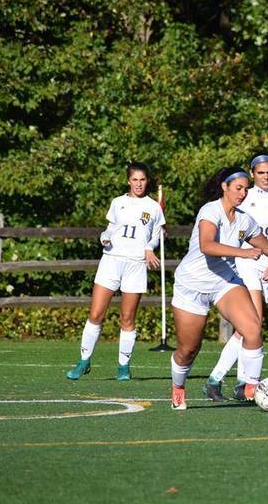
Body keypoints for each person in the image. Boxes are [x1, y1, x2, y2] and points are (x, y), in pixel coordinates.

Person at [169, 165, 268, 410]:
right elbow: (207, 245)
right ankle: (178, 387)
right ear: (224, 187)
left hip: (224, 282)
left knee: (252, 328)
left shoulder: (244, 220)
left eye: (245, 189)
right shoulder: (210, 211)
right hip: (192, 284)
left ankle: (251, 386)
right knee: (188, 350)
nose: (243, 193)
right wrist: (242, 252)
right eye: (238, 188)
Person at [205, 153, 268, 400]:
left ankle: (220, 381)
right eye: (260, 173)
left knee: (247, 328)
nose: (265, 177)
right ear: (253, 173)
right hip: (246, 263)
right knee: (253, 322)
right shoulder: (244, 196)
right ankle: (243, 385)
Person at [66, 162, 165, 381]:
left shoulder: (153, 206)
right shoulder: (117, 202)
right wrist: (104, 236)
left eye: (142, 179)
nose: (138, 184)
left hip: (136, 264)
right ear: (128, 181)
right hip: (111, 261)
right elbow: (110, 229)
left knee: (127, 317)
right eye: (135, 179)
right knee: (96, 314)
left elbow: (156, 234)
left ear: (147, 181)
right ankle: (83, 362)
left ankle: (123, 368)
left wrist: (149, 248)